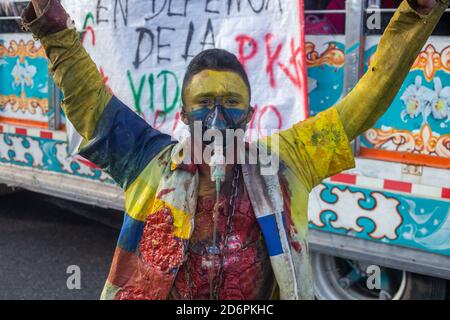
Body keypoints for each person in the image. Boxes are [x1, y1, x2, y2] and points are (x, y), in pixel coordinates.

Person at [21, 0, 448, 300]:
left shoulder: (287, 162)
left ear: (251, 111)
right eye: (204, 104)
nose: (217, 116)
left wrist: (415, 16)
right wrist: (53, 27)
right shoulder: (147, 162)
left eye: (231, 102)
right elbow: (90, 102)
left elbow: (362, 104)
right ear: (184, 113)